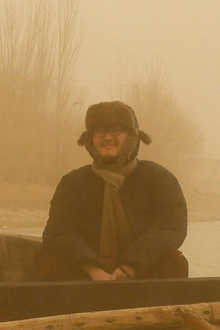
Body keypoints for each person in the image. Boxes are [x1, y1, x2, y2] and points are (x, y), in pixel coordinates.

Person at [39, 101, 189, 281]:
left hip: (144, 275)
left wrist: (130, 267)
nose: (107, 137)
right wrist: (92, 268)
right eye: (100, 131)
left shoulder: (158, 179)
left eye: (116, 129)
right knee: (51, 264)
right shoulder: (73, 183)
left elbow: (171, 228)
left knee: (175, 262)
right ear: (91, 139)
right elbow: (58, 232)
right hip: (86, 278)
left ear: (132, 136)